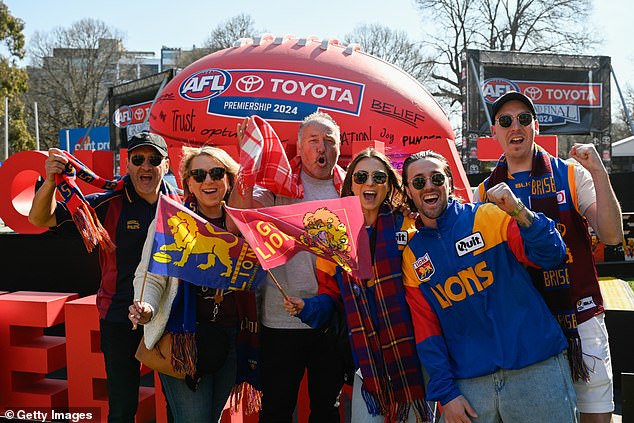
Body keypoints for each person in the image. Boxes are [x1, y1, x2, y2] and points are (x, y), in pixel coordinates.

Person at [475, 91, 623, 423]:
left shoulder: (570, 173)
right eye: (506, 121)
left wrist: (599, 172)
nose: (516, 126)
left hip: (579, 318)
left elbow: (612, 236)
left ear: (536, 127)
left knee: (596, 417)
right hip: (526, 331)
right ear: (494, 132)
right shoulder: (483, 193)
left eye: (524, 119)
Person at [401, 150, 577, 423]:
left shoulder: (489, 217)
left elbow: (552, 254)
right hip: (470, 389)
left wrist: (519, 210)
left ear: (449, 181)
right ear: (409, 192)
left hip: (535, 369)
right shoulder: (413, 257)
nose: (429, 186)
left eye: (436, 177)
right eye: (419, 182)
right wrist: (446, 394)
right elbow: (427, 334)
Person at [28, 131, 179, 423]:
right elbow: (40, 219)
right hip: (119, 318)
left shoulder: (182, 205)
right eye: (138, 159)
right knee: (122, 409)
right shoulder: (107, 203)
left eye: (154, 159)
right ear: (128, 164)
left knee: (177, 408)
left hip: (169, 318)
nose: (146, 166)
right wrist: (49, 182)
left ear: (167, 165)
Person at [282, 148, 432, 422]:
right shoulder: (334, 236)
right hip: (366, 360)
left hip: (412, 354)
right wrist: (306, 308)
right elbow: (331, 297)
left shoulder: (411, 225)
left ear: (389, 183)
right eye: (361, 176)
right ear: (351, 183)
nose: (370, 183)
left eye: (378, 176)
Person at [128, 146, 260, 422]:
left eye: (216, 173)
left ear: (229, 180)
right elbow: (150, 275)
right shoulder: (172, 220)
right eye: (199, 175)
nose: (208, 181)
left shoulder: (244, 223)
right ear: (188, 182)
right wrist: (147, 307)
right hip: (182, 340)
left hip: (231, 338)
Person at [229, 111, 346, 422]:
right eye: (314, 141)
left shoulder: (350, 186)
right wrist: (247, 163)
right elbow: (236, 221)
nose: (322, 148)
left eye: (329, 141)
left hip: (330, 319)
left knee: (326, 411)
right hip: (281, 320)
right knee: (278, 410)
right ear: (298, 146)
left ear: (339, 146)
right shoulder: (278, 183)